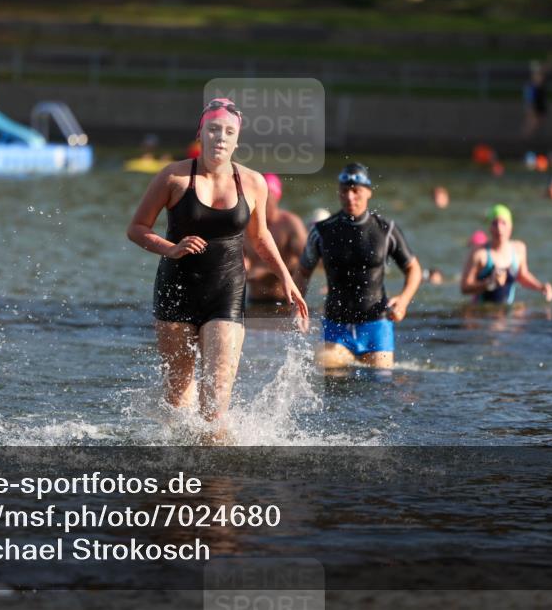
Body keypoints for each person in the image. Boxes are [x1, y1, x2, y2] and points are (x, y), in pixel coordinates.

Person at [126, 98, 308, 438]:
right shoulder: (173, 176)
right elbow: (137, 228)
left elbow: (260, 236)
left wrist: (286, 278)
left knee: (216, 398)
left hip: (226, 291)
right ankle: (181, 478)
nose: (220, 137)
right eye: (213, 129)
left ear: (237, 140)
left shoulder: (252, 183)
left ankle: (214, 480)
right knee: (178, 397)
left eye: (228, 132)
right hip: (176, 289)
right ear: (201, 134)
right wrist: (172, 248)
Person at [295, 163, 422, 370]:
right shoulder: (323, 231)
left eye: (356, 191)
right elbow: (302, 271)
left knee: (381, 384)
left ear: (368, 192)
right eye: (344, 191)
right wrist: (298, 307)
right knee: (331, 381)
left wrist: (404, 300)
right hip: (336, 325)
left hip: (376, 326)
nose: (350, 196)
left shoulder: (386, 230)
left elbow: (413, 269)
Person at [461, 204, 552, 305]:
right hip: (481, 315)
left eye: (503, 223)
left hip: (507, 313)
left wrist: (541, 287)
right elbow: (464, 287)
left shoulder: (519, 249)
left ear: (511, 226)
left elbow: (522, 276)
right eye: (495, 223)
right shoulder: (480, 254)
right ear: (489, 227)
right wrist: (489, 283)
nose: (499, 228)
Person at [243, 173, 308, 303]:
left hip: (286, 302)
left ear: (276, 197)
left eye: (265, 197)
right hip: (254, 302)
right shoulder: (245, 225)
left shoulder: (290, 224)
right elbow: (242, 262)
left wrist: (269, 269)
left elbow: (309, 260)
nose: (260, 202)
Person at [522, 54, 552, 138]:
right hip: (535, 99)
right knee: (532, 120)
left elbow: (548, 68)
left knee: (540, 119)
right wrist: (530, 107)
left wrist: (550, 58)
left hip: (539, 98)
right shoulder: (532, 83)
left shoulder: (539, 75)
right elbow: (529, 97)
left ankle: (528, 136)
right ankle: (525, 137)